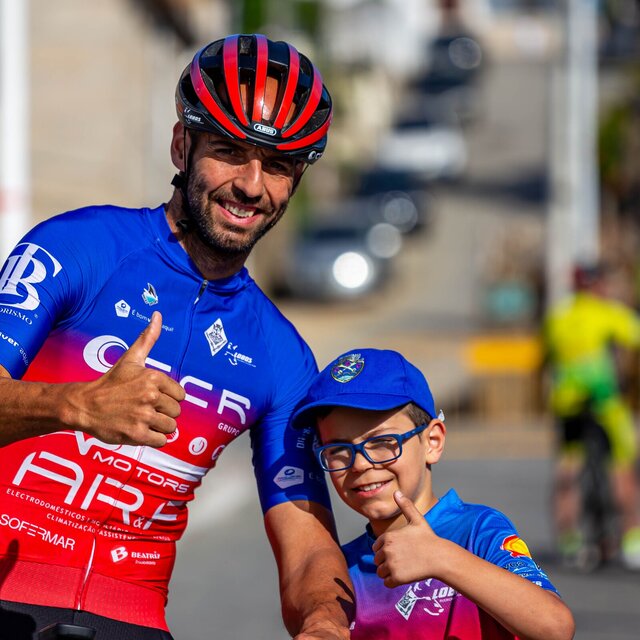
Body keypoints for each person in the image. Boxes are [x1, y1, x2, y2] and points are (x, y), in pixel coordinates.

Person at [0, 33, 353, 640]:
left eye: (277, 166)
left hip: (131, 618)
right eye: (230, 152)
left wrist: (323, 620)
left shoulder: (281, 354)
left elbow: (308, 548)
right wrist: (76, 404)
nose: (251, 185)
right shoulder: (79, 247)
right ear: (181, 145)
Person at [290, 348, 576, 640]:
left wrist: (441, 558)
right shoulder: (339, 571)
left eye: (382, 442)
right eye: (338, 449)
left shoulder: (477, 531)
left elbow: (555, 628)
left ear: (433, 442)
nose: (360, 464)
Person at [542, 263, 640, 569]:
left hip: (568, 406)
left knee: (568, 471)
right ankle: (632, 540)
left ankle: (569, 540)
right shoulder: (607, 312)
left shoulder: (558, 317)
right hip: (604, 405)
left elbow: (545, 359)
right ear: (599, 286)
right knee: (622, 470)